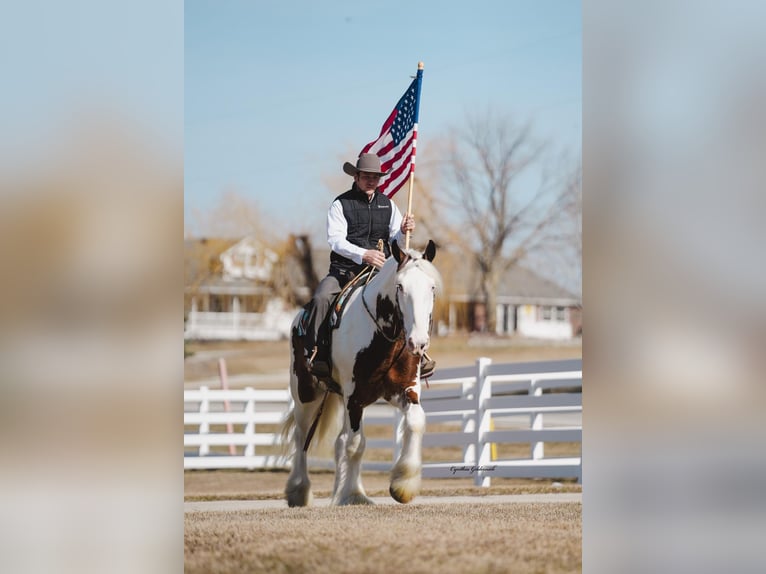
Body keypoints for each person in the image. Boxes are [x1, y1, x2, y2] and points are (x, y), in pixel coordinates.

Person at [304, 153, 435, 380]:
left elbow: (395, 240)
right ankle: (317, 353)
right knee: (321, 298)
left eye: (375, 177)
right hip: (344, 271)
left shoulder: (389, 205)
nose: (371, 181)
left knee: (406, 295)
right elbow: (336, 240)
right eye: (366, 176)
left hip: (380, 272)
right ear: (356, 177)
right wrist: (364, 254)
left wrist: (404, 230)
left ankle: (418, 353)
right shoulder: (341, 204)